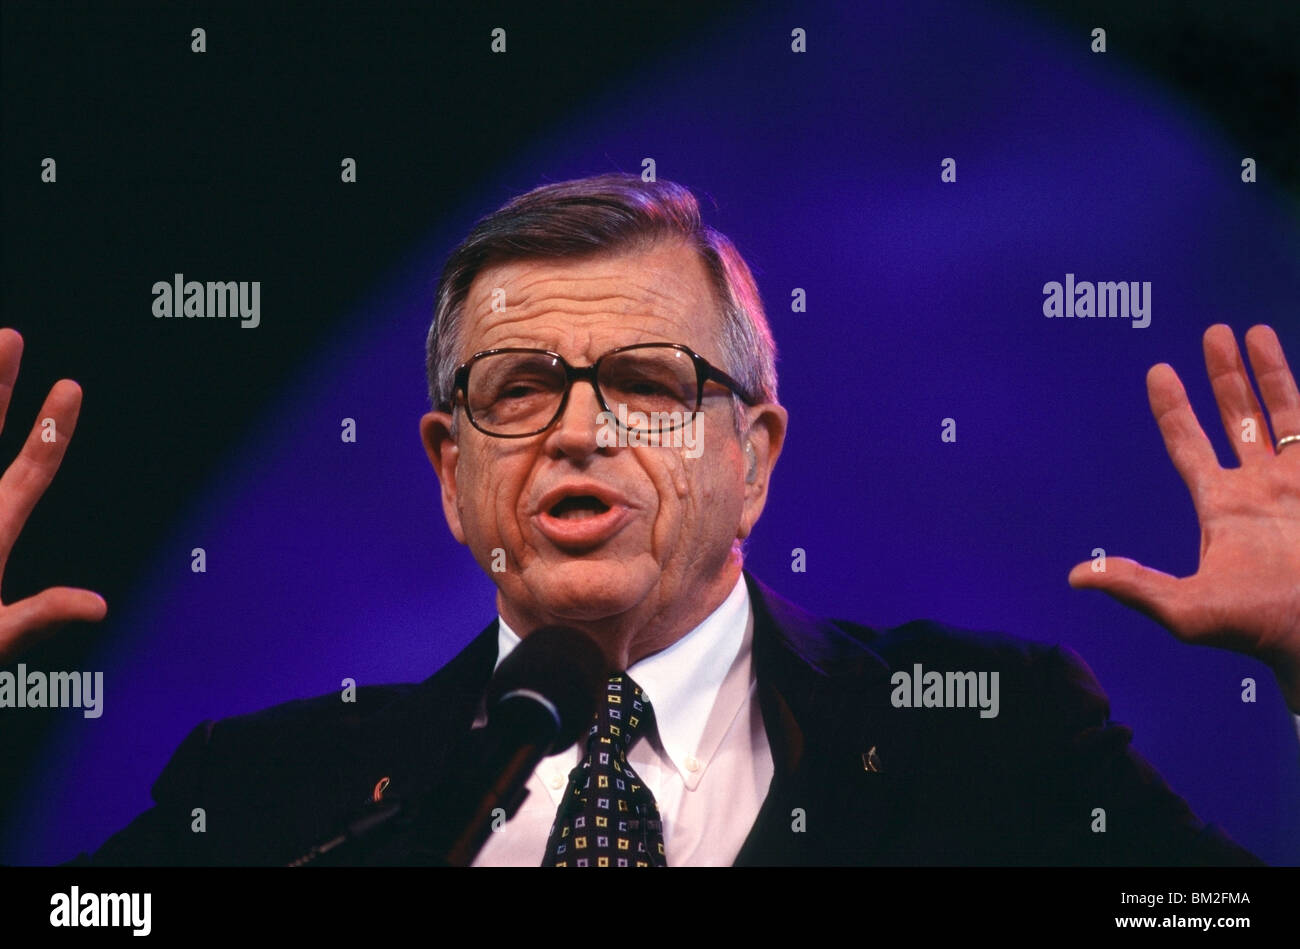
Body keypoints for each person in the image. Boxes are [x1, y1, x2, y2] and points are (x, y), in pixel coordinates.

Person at [3, 173, 1298, 865]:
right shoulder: (274, 792)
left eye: (643, 381)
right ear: (451, 472)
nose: (579, 429)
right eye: (519, 389)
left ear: (755, 456)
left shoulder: (989, 738)